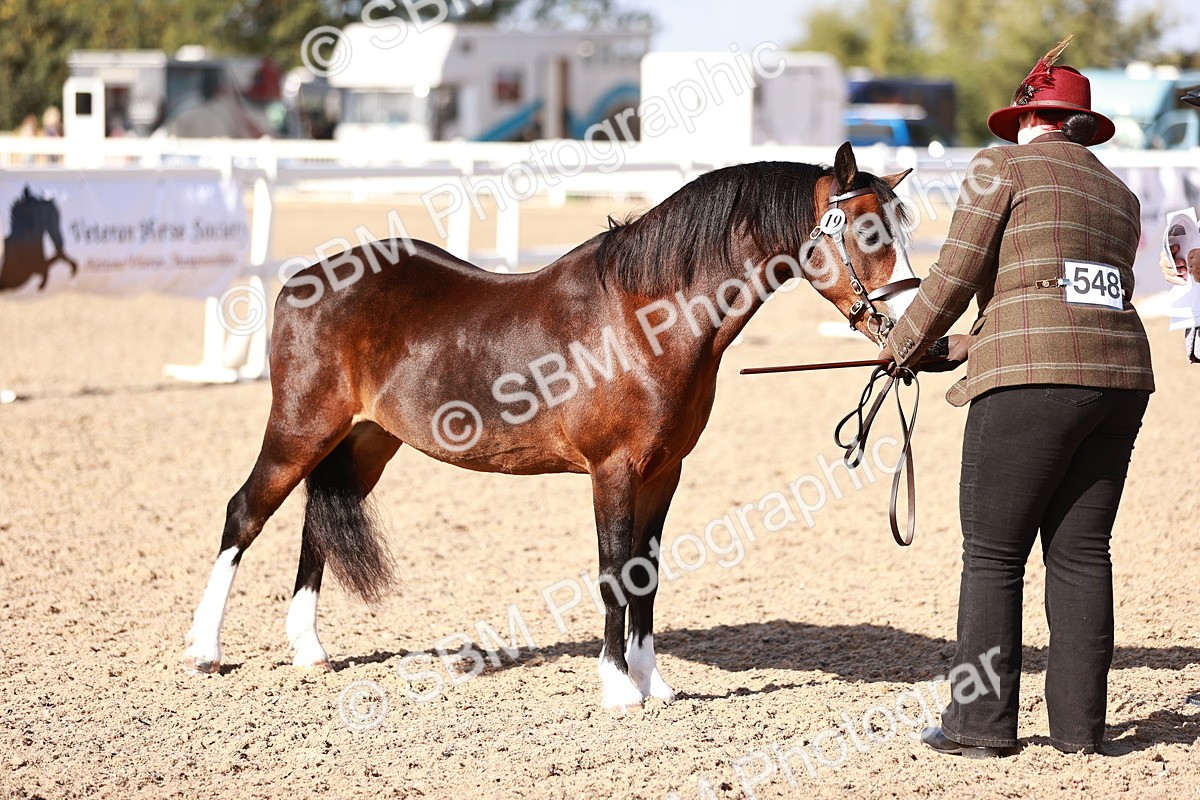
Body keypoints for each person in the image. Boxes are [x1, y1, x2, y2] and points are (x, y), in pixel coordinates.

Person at [879, 36, 1155, 756]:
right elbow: (1069, 289)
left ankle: (979, 725)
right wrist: (969, 343)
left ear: (1029, 117)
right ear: (1081, 125)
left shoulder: (999, 165)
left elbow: (956, 272)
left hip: (1032, 383)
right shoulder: (1119, 193)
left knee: (995, 557)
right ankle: (1080, 732)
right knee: (1082, 554)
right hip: (1121, 378)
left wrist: (901, 346)